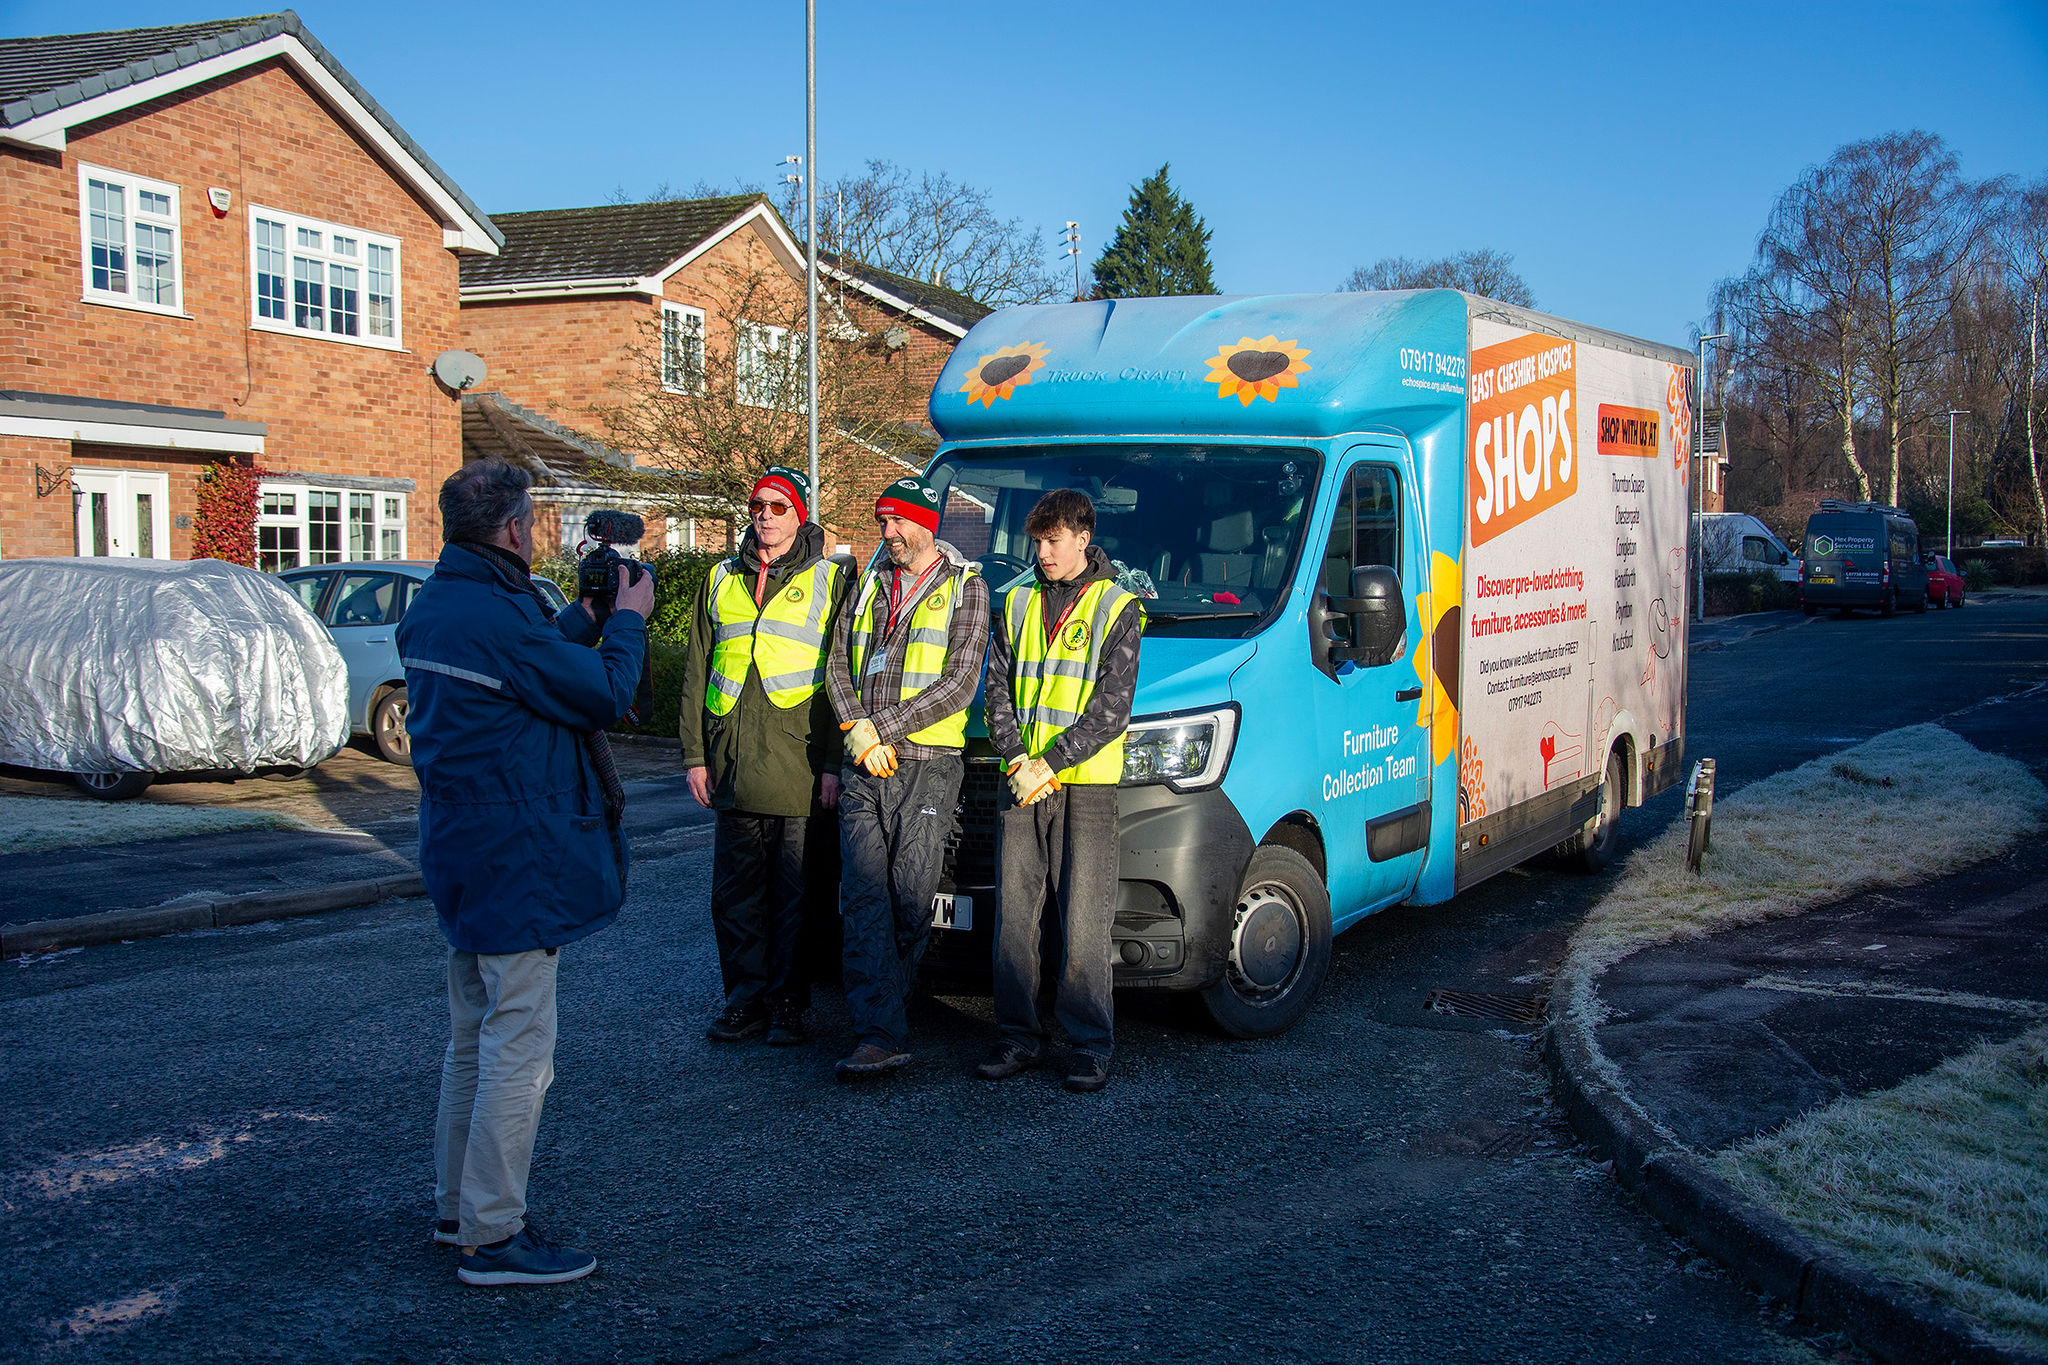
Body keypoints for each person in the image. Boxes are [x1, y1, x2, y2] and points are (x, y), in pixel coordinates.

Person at [398, 457, 653, 1286]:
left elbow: (531, 668)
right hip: (517, 854)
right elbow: (603, 693)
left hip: (461, 850)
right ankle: (494, 1234)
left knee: (472, 1039)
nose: (537, 531)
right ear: (513, 529)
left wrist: (584, 615)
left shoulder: (438, 604)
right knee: (519, 1049)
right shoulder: (501, 616)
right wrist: (629, 621)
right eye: (533, 519)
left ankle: (458, 1210)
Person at [976, 489, 1142, 1094]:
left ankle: (1090, 1046)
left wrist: (1048, 762)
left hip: (1084, 785)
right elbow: (996, 687)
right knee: (1015, 919)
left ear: (1083, 538)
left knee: (1084, 920)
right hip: (1022, 780)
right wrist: (1015, 755)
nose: (1042, 552)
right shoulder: (1017, 600)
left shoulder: (1118, 606)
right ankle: (1018, 1037)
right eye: (1037, 541)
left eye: (1053, 541)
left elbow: (1111, 711)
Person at [825, 475, 990, 1080]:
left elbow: (959, 684)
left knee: (909, 898)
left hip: (927, 765)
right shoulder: (868, 584)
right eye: (882, 521)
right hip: (863, 763)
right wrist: (856, 729)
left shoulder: (967, 587)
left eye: (897, 521)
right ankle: (878, 1032)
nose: (887, 532)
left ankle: (886, 1015)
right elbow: (836, 664)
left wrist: (879, 729)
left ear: (927, 524)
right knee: (861, 895)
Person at [681, 465, 848, 1046]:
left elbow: (841, 679)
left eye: (779, 507)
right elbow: (697, 668)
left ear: (799, 515)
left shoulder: (829, 579)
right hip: (731, 761)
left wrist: (833, 765)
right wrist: (694, 755)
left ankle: (787, 1005)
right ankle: (743, 1003)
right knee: (735, 896)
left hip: (797, 763)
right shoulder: (720, 576)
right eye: (758, 506)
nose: (765, 516)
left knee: (794, 896)